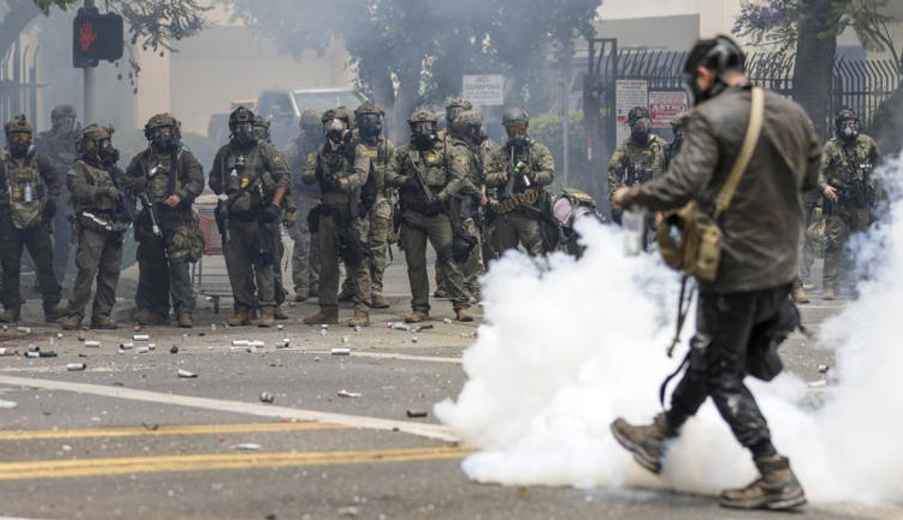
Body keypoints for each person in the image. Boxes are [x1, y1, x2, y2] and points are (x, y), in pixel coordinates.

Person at [609, 35, 821, 511]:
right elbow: (809, 180)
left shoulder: (709, 118)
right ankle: (661, 434)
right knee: (708, 354)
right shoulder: (792, 113)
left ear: (704, 75)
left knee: (723, 372)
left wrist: (631, 196)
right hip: (782, 267)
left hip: (735, 268)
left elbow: (680, 184)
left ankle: (775, 474)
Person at [386, 109, 474, 323]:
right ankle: (420, 308)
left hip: (438, 213)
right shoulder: (404, 152)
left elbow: (459, 177)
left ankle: (460, 305)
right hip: (412, 215)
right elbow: (387, 173)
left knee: (448, 258)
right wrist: (405, 181)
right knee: (415, 263)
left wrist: (441, 197)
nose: (422, 130)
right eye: (418, 126)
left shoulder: (446, 150)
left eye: (427, 125)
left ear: (434, 126)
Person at [210, 107, 290, 328]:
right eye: (238, 126)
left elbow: (283, 177)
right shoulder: (224, 153)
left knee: (264, 264)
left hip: (260, 217)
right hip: (234, 219)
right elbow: (214, 180)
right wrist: (223, 193)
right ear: (232, 128)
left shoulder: (265, 150)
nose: (242, 130)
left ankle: (268, 309)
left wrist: (275, 204)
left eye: (246, 125)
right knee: (237, 267)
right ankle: (243, 309)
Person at [125, 113, 205, 328]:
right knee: (152, 266)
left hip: (178, 217)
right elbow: (127, 181)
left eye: (167, 130)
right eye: (158, 131)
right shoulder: (142, 159)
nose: (163, 135)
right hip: (151, 217)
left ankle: (184, 311)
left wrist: (181, 196)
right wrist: (140, 183)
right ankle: (157, 311)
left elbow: (197, 181)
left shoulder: (184, 157)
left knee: (179, 265)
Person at [301, 108, 372, 327]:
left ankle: (362, 310)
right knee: (327, 263)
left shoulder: (357, 149)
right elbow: (307, 176)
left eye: (339, 123)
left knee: (356, 261)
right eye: (330, 123)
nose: (334, 128)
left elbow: (361, 176)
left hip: (349, 213)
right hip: (327, 212)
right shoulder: (320, 151)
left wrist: (342, 181)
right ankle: (328, 310)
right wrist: (317, 174)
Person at [60, 125, 131, 330]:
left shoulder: (113, 169)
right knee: (87, 271)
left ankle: (102, 315)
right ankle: (75, 314)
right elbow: (78, 189)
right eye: (102, 143)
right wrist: (103, 191)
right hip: (92, 223)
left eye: (107, 143)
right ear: (91, 144)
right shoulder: (79, 167)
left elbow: (127, 189)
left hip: (114, 224)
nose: (107, 147)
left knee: (110, 272)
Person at [0, 115, 65, 323]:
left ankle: (51, 306)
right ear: (9, 138)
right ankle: (12, 308)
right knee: (10, 266)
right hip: (10, 220)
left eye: (25, 136)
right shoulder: (2, 161)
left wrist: (51, 201)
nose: (21, 140)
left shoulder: (39, 159)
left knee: (45, 264)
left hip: (37, 219)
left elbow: (55, 181)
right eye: (16, 136)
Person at [819, 108, 880, 300]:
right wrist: (825, 187)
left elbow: (878, 162)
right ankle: (829, 285)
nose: (850, 127)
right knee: (834, 243)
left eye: (853, 123)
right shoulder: (831, 146)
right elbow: (818, 171)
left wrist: (871, 181)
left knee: (861, 242)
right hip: (838, 199)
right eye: (846, 123)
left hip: (860, 200)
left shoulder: (867, 142)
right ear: (838, 126)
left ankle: (859, 284)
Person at [484, 106, 556, 257]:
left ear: (526, 126)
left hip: (530, 211)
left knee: (538, 256)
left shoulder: (538, 150)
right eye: (511, 129)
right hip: (505, 212)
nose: (516, 132)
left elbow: (549, 175)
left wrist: (531, 175)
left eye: (519, 128)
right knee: (506, 258)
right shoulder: (498, 153)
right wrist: (503, 176)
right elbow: (486, 177)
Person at [353, 102, 396, 310]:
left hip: (379, 199)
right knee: (357, 245)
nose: (371, 123)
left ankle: (376, 289)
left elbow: (393, 173)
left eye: (374, 118)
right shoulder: (351, 143)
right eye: (366, 119)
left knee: (378, 246)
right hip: (357, 200)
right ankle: (356, 287)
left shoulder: (386, 146)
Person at [35, 104, 80, 286]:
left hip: (67, 198)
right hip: (45, 196)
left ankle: (57, 279)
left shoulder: (78, 142)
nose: (68, 123)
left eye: (71, 119)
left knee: (64, 240)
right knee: (41, 240)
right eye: (64, 120)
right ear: (55, 121)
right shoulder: (43, 140)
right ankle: (42, 278)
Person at [253, 116, 292, 321]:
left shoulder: (273, 154)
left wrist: (288, 210)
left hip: (269, 214)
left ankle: (275, 302)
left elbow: (285, 182)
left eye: (260, 130)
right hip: (249, 214)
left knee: (272, 260)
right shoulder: (243, 154)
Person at [445, 109, 486, 301]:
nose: (480, 131)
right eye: (476, 128)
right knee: (471, 248)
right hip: (463, 207)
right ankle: (469, 288)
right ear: (469, 130)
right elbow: (461, 179)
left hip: (467, 206)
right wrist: (479, 194)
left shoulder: (469, 149)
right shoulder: (461, 151)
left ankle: (467, 287)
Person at [284, 109, 322, 302]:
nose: (313, 131)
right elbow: (287, 176)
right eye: (310, 128)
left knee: (318, 243)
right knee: (302, 243)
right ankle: (302, 285)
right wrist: (290, 204)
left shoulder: (324, 145)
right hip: (302, 197)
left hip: (320, 197)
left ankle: (315, 282)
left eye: (316, 127)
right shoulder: (294, 148)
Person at [607, 106, 668, 223]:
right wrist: (616, 202)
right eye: (635, 126)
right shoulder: (626, 148)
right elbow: (613, 173)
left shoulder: (662, 146)